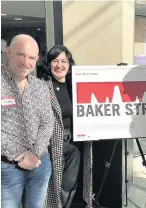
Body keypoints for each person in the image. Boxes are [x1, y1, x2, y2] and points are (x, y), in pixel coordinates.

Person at [1, 34, 54, 208]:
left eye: (31, 57)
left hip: (40, 164)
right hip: (7, 167)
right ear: (8, 52)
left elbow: (47, 122)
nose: (26, 62)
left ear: (37, 59)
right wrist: (18, 155)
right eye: (20, 55)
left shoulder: (40, 86)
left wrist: (35, 153)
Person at [41, 45, 81, 208]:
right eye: (55, 61)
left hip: (76, 138)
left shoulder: (76, 85)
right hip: (52, 143)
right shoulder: (42, 87)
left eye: (63, 61)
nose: (59, 65)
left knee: (70, 183)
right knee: (55, 183)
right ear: (49, 64)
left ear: (69, 64)